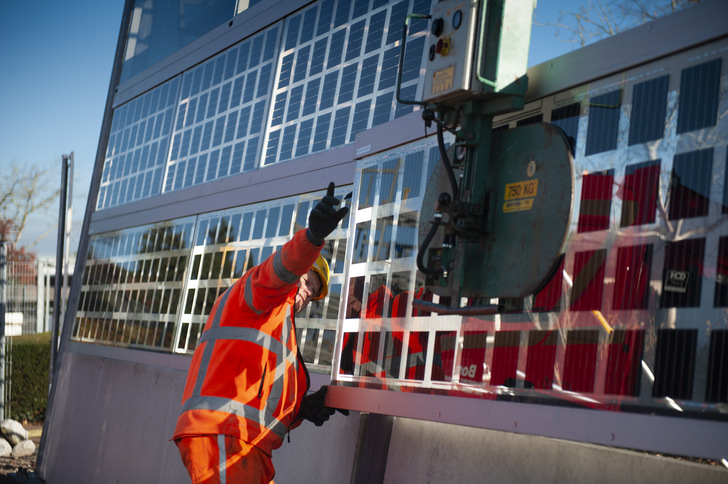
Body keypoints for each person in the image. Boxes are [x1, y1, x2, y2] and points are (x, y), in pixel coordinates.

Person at [173, 182, 350, 483]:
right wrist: (312, 238)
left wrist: (301, 411)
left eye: (314, 291)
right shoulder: (256, 293)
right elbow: (281, 270)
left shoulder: (280, 333)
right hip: (225, 437)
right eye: (306, 281)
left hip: (245, 444)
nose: (307, 292)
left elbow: (261, 401)